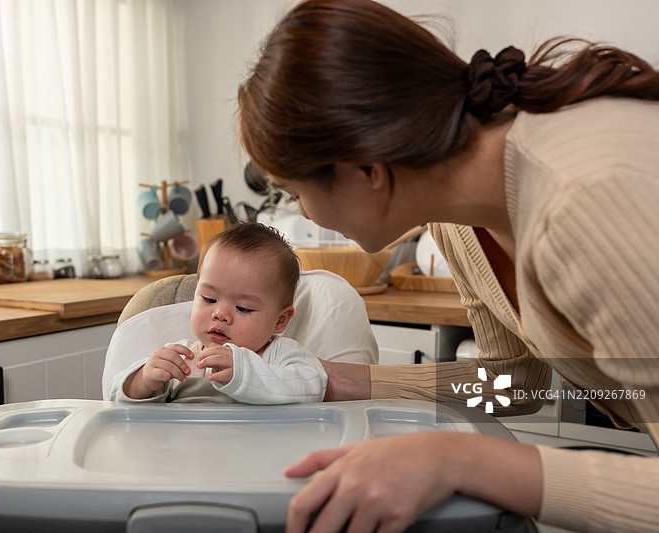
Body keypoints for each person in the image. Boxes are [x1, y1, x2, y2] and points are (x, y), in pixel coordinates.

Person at [237, 0, 659, 531]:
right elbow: (515, 384)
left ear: (366, 168)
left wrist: (455, 458)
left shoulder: (581, 203)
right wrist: (335, 380)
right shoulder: (457, 218)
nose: (302, 211)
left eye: (295, 192)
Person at [119, 221, 327, 404]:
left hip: (259, 445)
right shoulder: (181, 356)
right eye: (209, 299)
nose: (220, 314)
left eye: (243, 308)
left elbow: (313, 386)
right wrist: (145, 381)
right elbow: (123, 407)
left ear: (280, 320)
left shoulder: (281, 355)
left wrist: (245, 373)